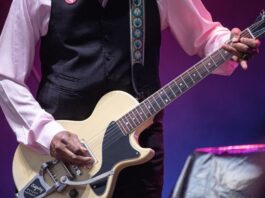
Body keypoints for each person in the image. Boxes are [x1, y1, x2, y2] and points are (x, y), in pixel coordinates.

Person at [0, 0, 260, 197]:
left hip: (139, 146)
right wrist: (47, 133)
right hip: (62, 156)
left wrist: (228, 44)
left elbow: (205, 37)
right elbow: (5, 75)